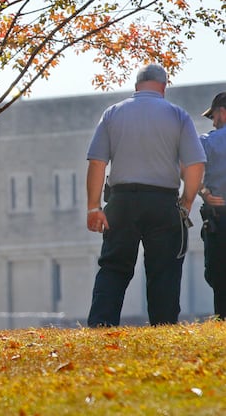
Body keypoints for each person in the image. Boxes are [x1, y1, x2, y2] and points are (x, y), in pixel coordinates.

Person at [85, 63, 206, 327]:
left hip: (122, 200)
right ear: (164, 86)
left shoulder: (113, 113)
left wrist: (94, 207)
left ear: (136, 86)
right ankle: (163, 328)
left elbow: (96, 162)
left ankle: (101, 325)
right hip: (163, 201)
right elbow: (196, 164)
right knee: (164, 270)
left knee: (114, 266)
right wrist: (185, 203)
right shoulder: (178, 115)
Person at [198, 92, 226, 319]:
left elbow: (187, 168)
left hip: (220, 215)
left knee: (219, 272)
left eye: (214, 116)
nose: (213, 122)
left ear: (223, 112)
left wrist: (203, 191)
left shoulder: (207, 141)